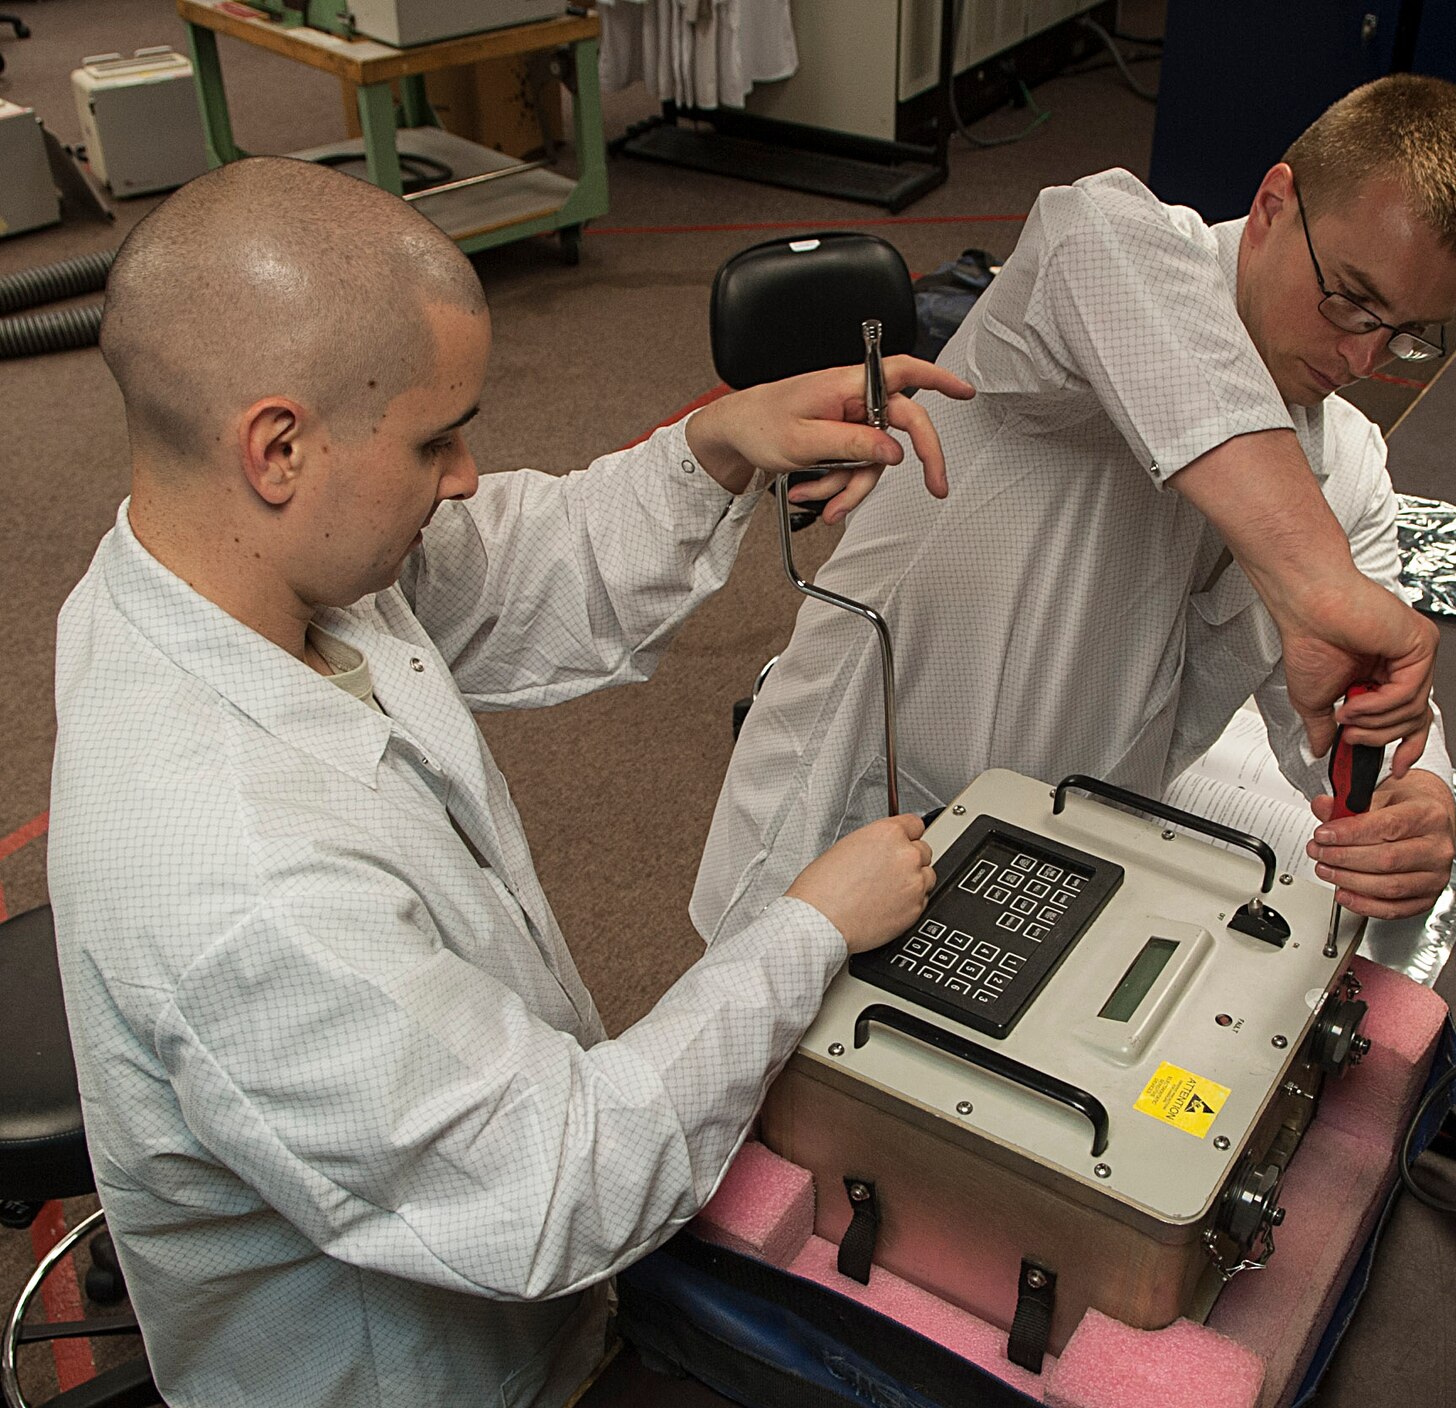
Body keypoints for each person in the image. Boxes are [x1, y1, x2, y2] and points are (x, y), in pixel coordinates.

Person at [46, 157, 974, 1408]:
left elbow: (516, 561)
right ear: (278, 447)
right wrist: (805, 927)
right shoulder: (243, 880)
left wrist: (713, 445)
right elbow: (557, 1185)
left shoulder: (217, 565)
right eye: (435, 439)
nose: (467, 475)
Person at [694, 75, 1456, 942]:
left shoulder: (1346, 464)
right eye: (1350, 296)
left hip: (1067, 862)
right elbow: (1100, 240)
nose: (1363, 353)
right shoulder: (1107, 265)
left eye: (1408, 333)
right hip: (850, 819)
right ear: (1274, 204)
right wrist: (1311, 579)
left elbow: (1361, 696)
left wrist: (1413, 801)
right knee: (772, 1063)